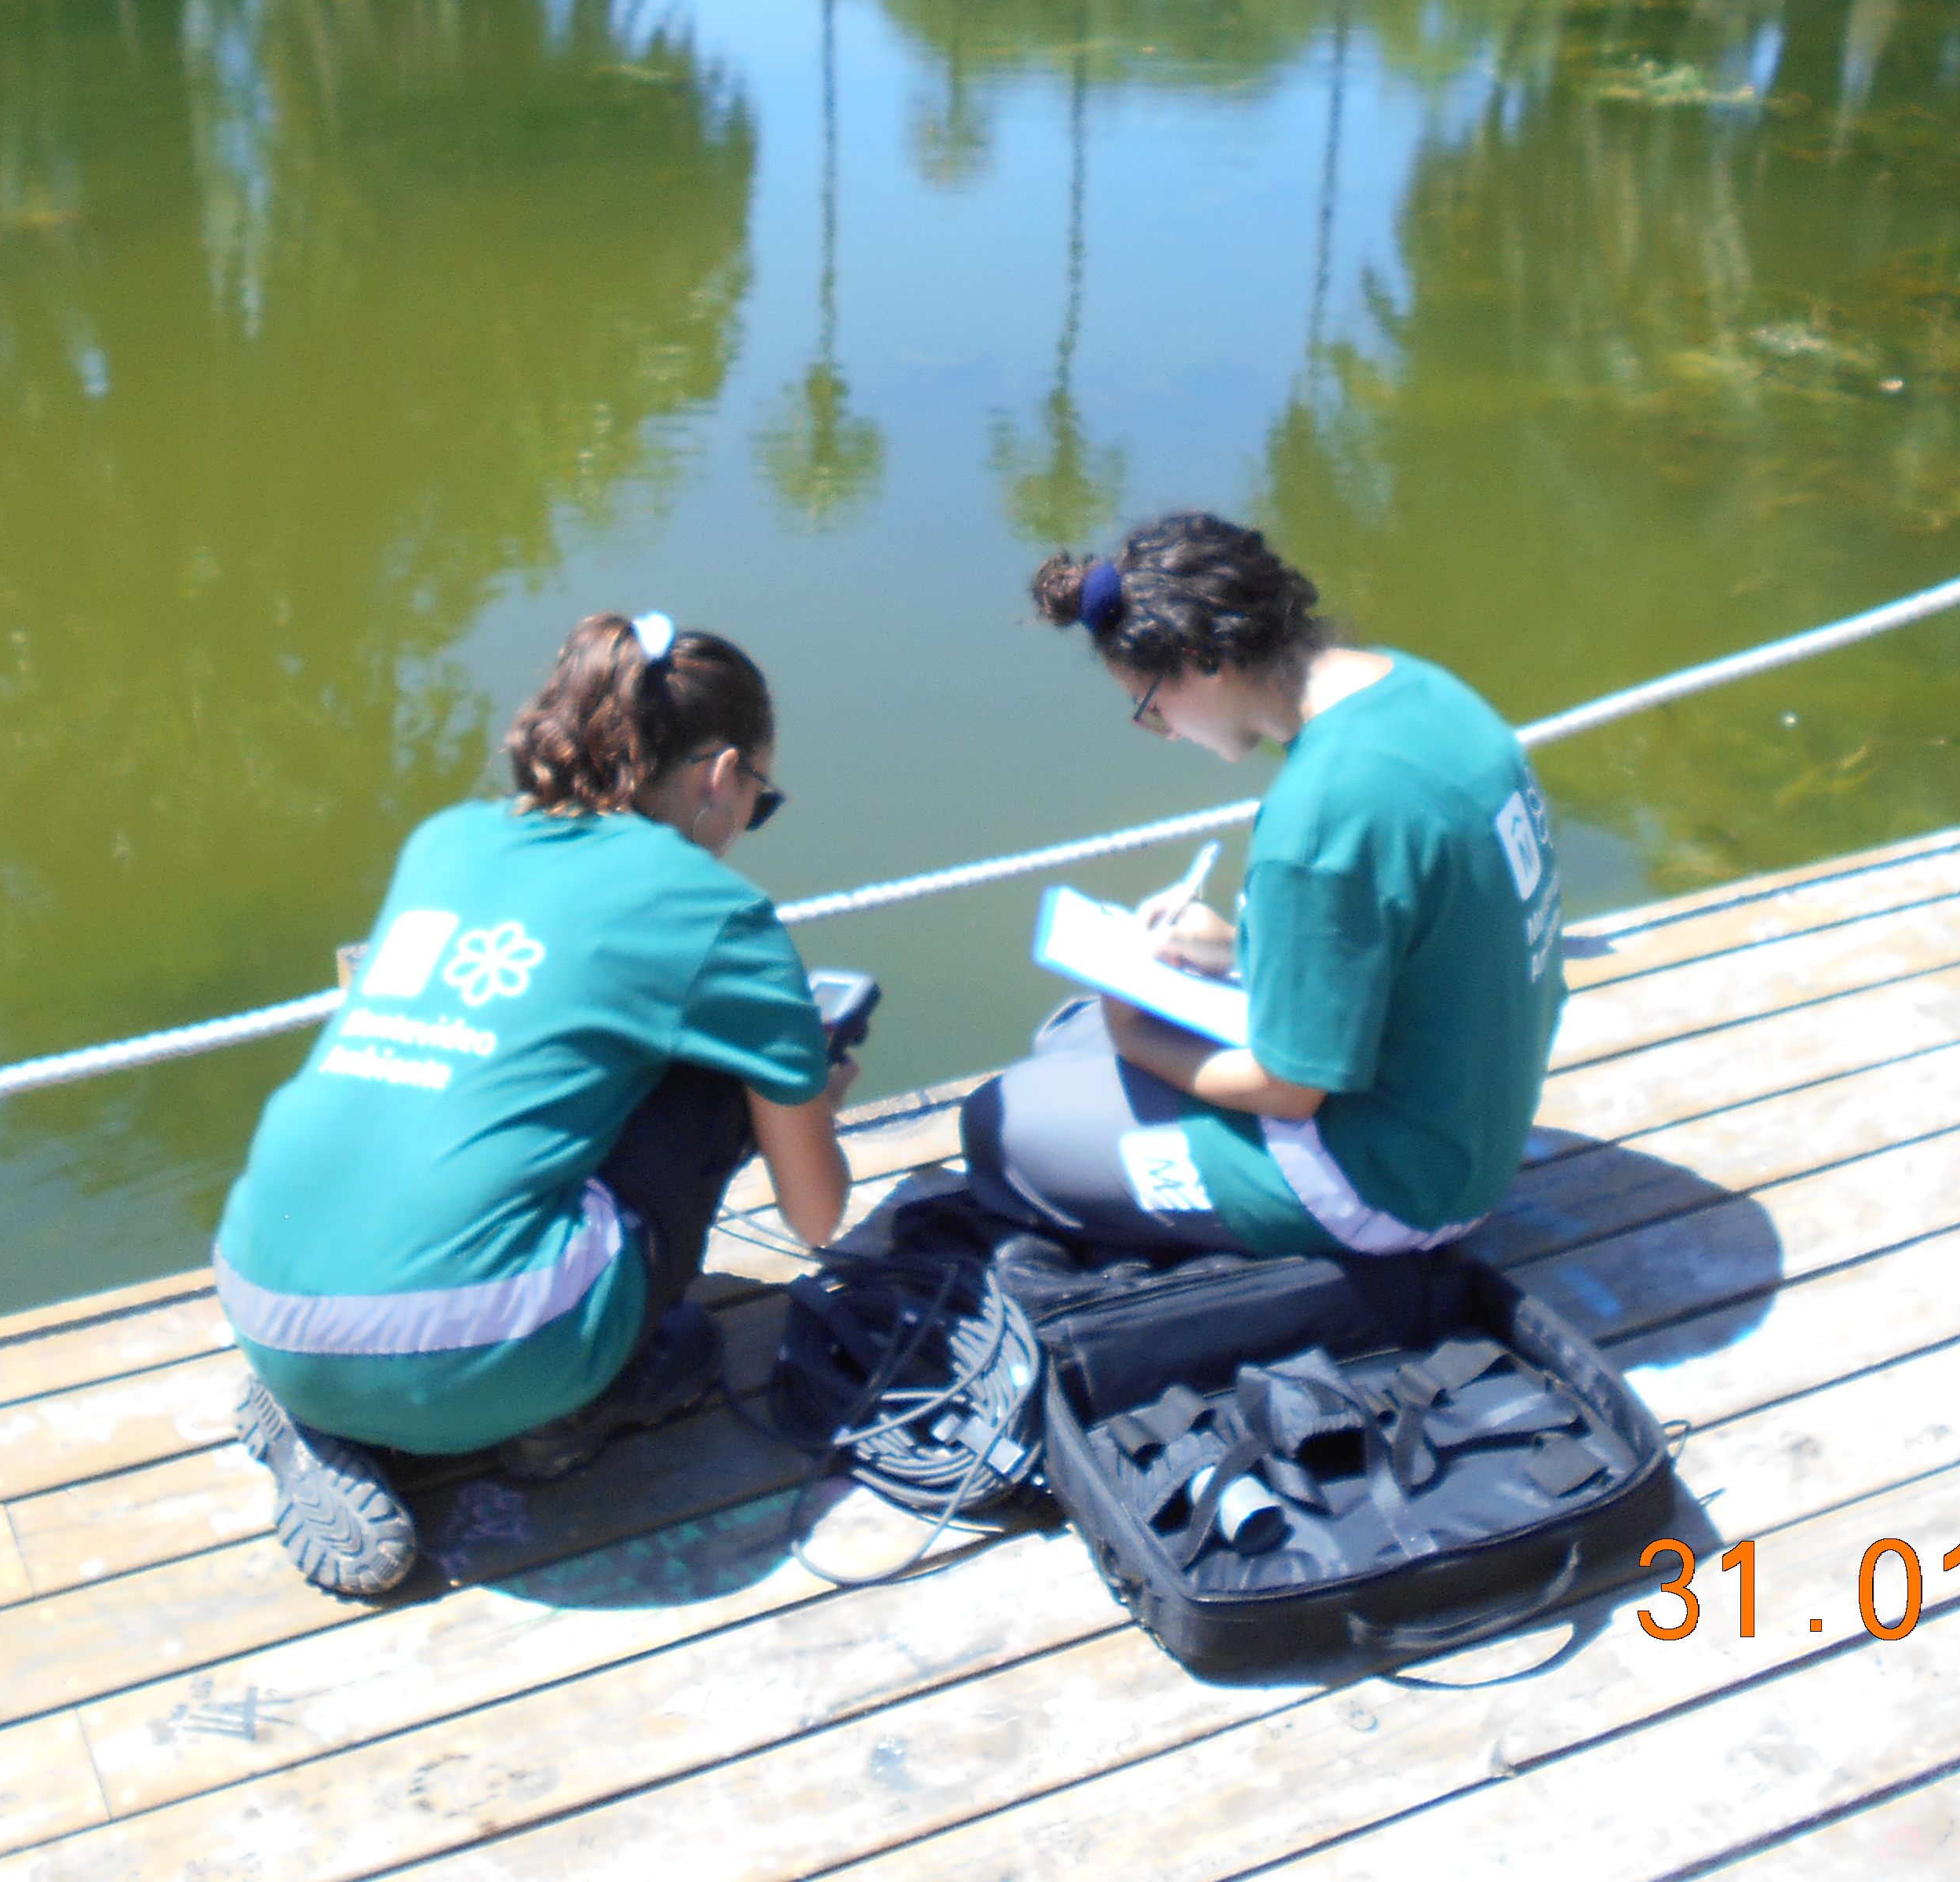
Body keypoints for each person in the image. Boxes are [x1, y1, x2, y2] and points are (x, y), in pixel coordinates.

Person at [217, 613, 855, 1595]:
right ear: (720, 777)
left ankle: (318, 1410)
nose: (747, 825)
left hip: (260, 1285)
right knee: (709, 1083)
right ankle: (571, 1406)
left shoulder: (447, 840)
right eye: (758, 803)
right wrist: (806, 1088)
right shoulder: (714, 912)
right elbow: (816, 1219)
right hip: (495, 1352)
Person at [962, 511, 1567, 1262]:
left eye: (1153, 707)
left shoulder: (1319, 818)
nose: (1169, 732)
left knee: (1000, 1123)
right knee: (1066, 1036)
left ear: (1199, 659)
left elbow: (1285, 1089)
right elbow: (1397, 921)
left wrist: (1133, 1030)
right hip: (1468, 1108)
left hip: (1390, 1186)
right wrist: (1235, 947)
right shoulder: (1421, 690)